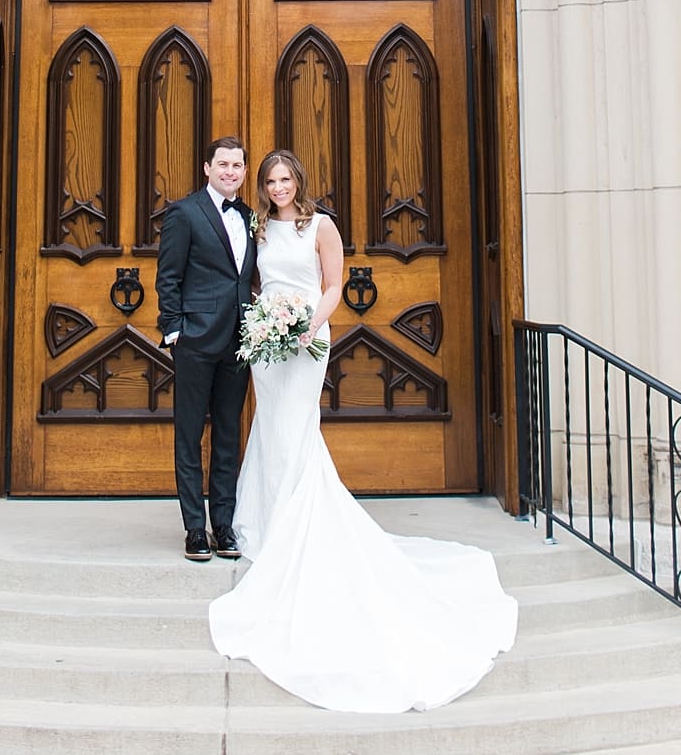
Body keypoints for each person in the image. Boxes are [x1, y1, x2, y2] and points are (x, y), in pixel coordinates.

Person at [208, 149, 518, 712]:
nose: (278, 188)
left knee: (296, 428)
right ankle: (268, 522)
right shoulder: (257, 226)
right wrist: (260, 320)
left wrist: (307, 326)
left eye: (285, 179)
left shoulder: (319, 225)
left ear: (298, 181)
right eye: (270, 181)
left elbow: (334, 283)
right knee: (270, 429)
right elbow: (251, 280)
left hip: (306, 339)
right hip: (265, 343)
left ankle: (301, 529)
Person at [156, 134, 256, 562]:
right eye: (223, 165)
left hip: (239, 341)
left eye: (237, 166)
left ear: (244, 171)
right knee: (190, 434)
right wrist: (175, 330)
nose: (230, 172)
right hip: (195, 341)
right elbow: (169, 276)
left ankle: (224, 525)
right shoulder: (184, 213)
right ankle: (195, 529)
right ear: (207, 168)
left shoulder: (252, 216)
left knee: (229, 436)